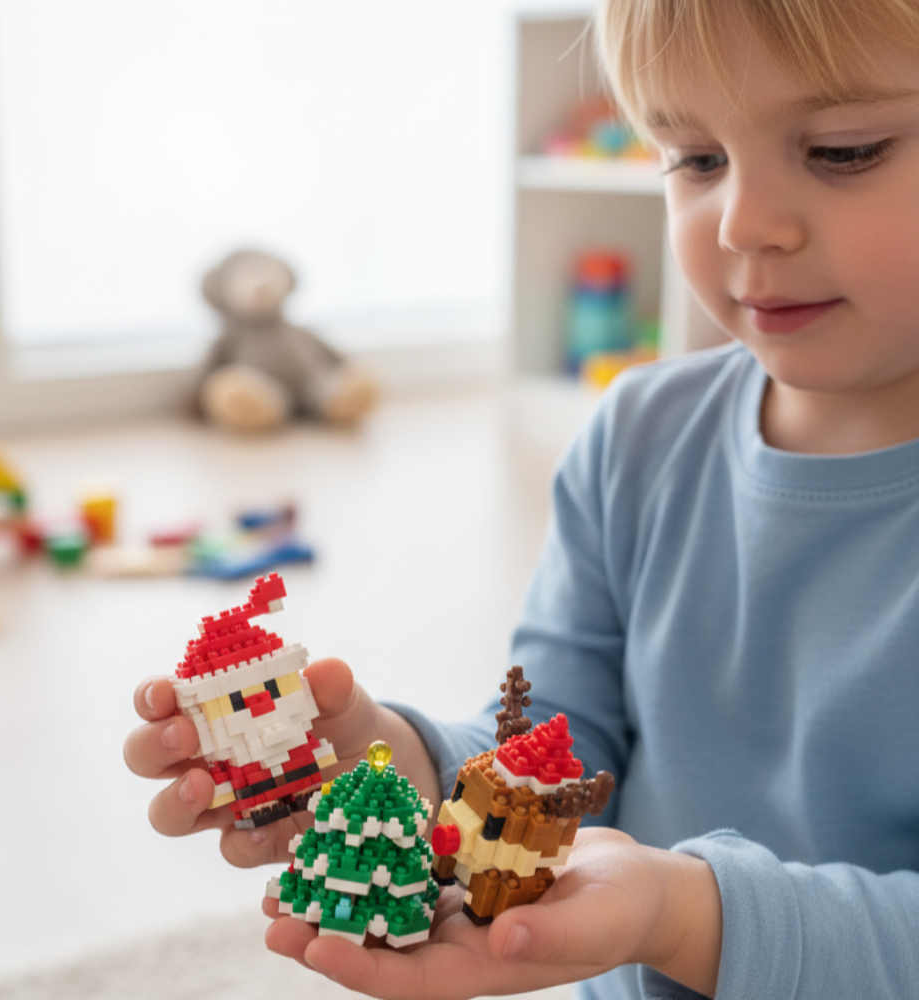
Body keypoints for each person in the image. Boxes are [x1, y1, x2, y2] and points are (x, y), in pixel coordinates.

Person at [124, 0, 919, 996]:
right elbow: (556, 740)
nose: (743, 223)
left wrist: (686, 912)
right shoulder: (638, 435)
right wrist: (391, 761)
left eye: (843, 151)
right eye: (694, 157)